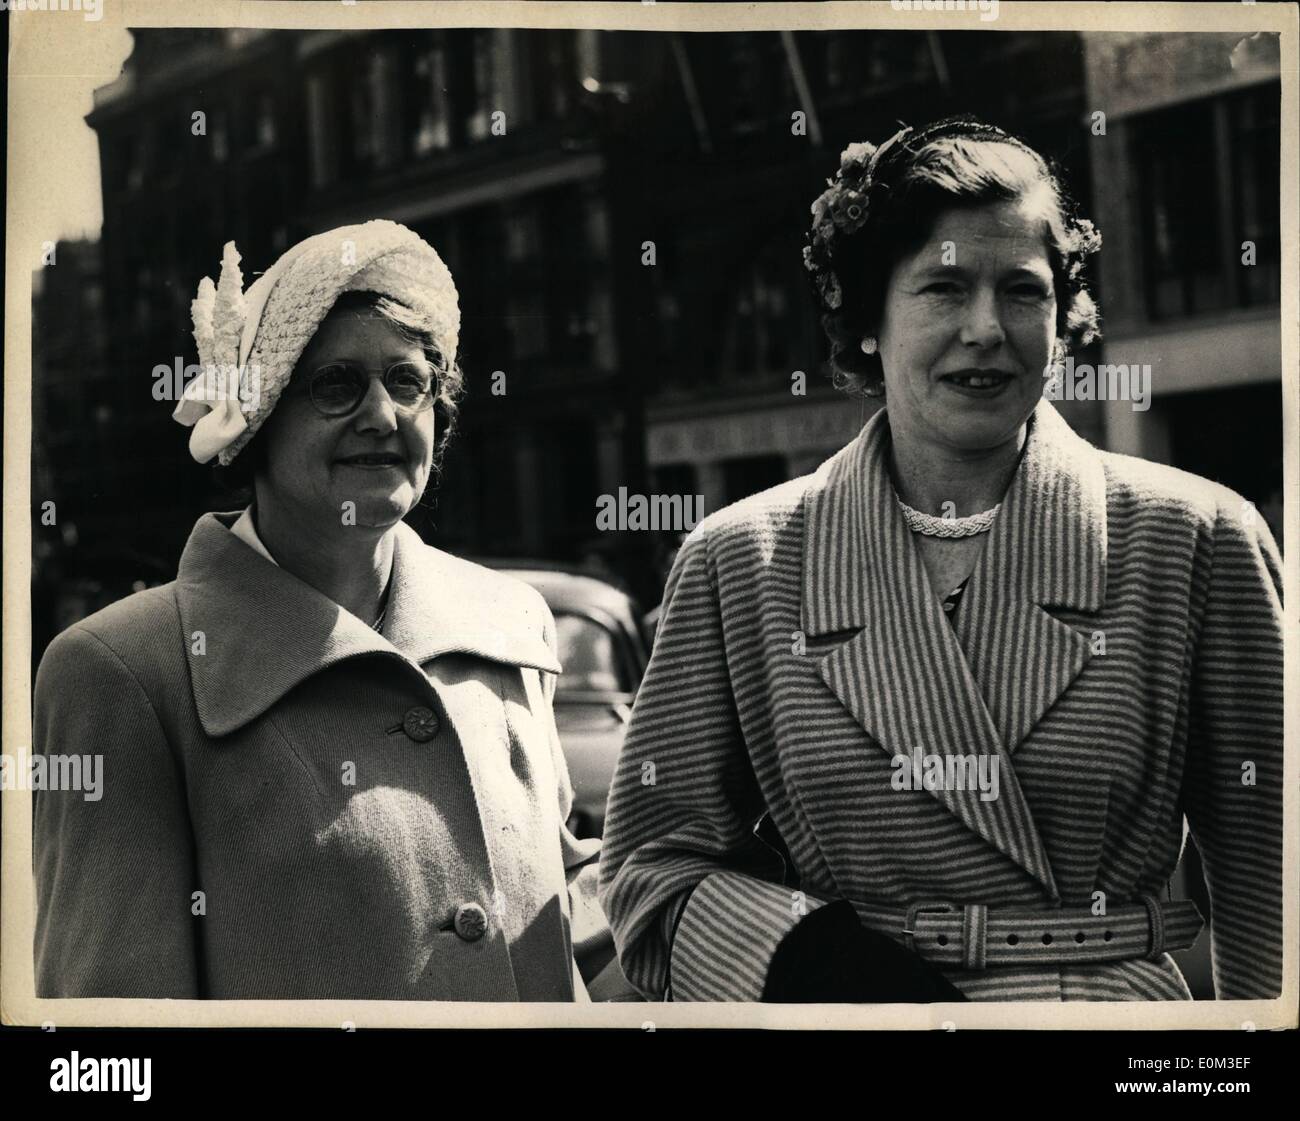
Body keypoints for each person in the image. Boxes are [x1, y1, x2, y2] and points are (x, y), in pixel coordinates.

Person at [598, 118, 1284, 1002]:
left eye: (1023, 291)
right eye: (944, 288)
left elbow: (1274, 870)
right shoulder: (740, 562)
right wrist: (821, 968)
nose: (987, 328)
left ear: (1062, 316)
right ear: (868, 319)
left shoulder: (1195, 537)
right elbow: (651, 868)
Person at [34, 220, 623, 1001]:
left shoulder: (511, 621)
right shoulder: (124, 675)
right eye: (336, 384)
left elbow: (568, 925)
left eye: (408, 381)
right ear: (256, 421)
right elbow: (121, 1020)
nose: (382, 413)